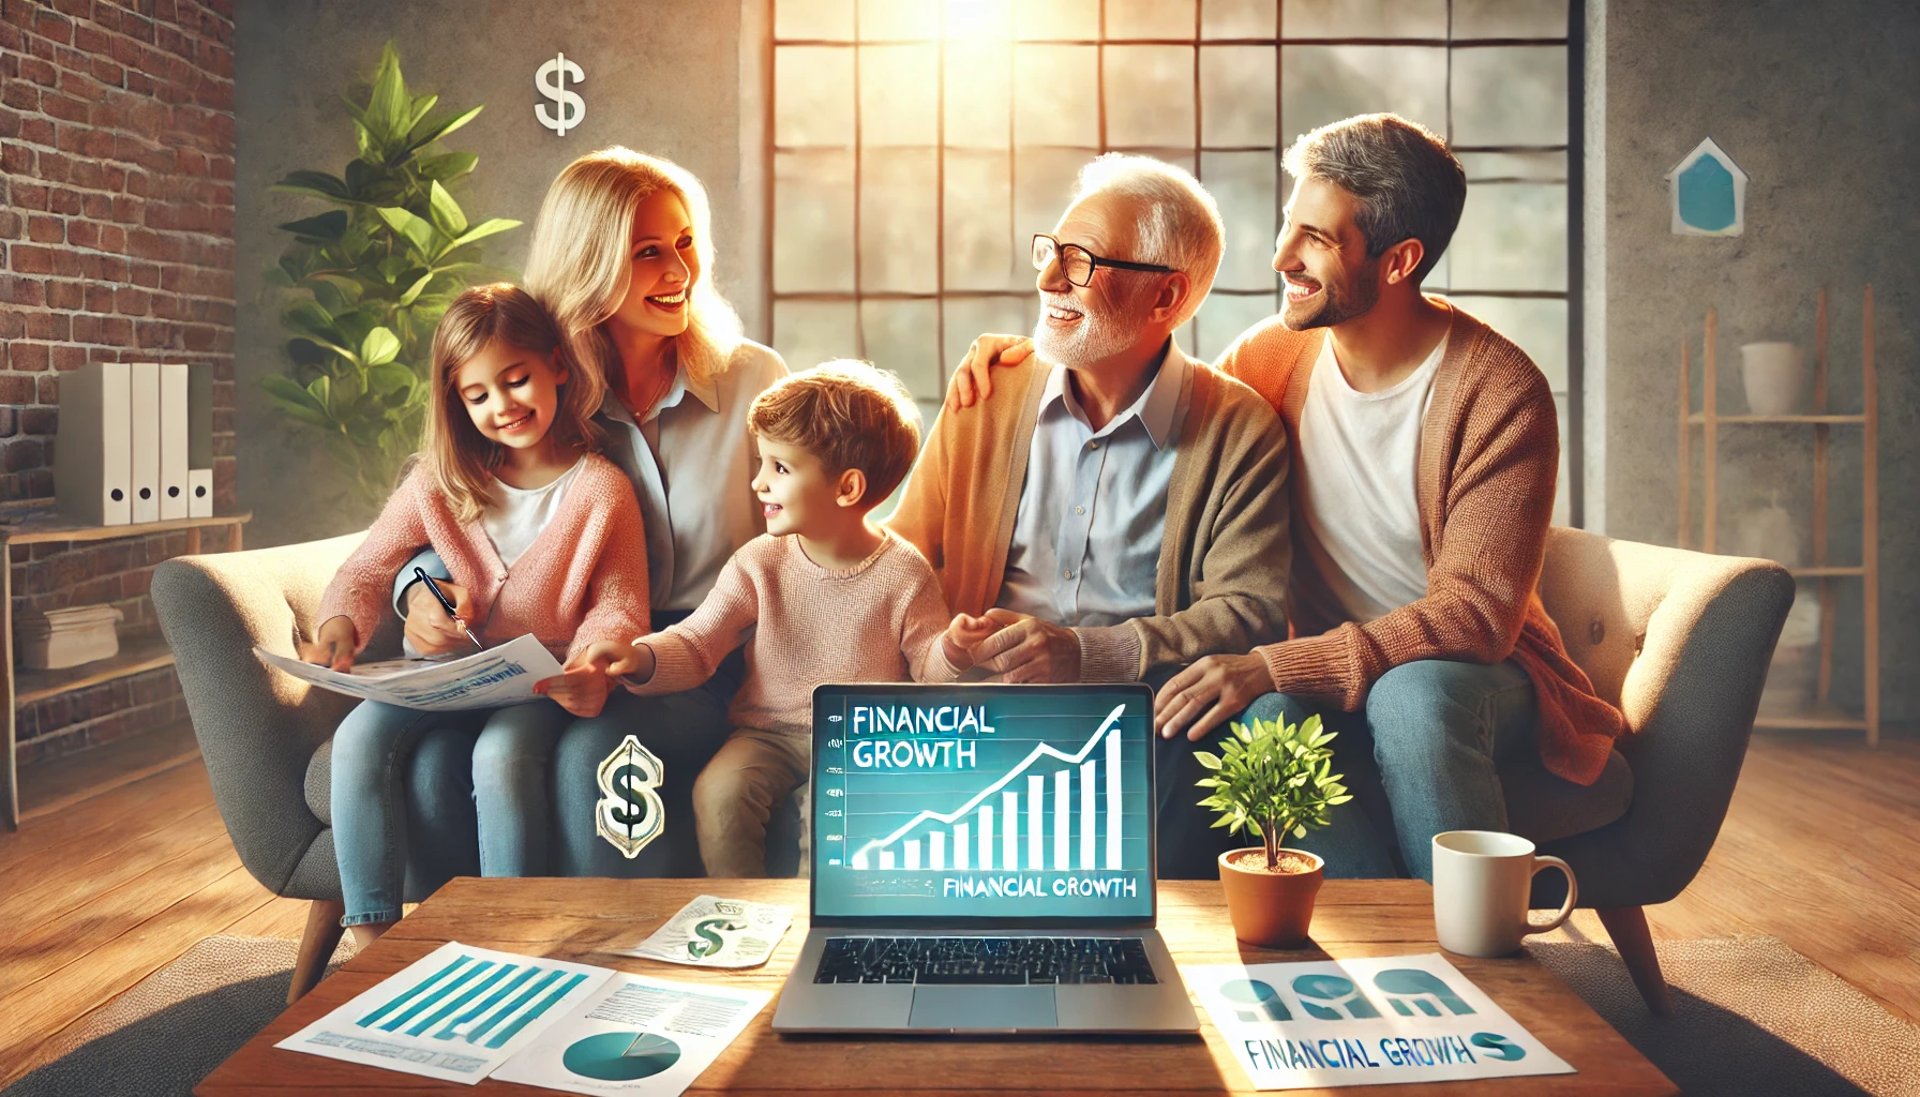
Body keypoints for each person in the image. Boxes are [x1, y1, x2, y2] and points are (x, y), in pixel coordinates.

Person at [956, 114, 1627, 881]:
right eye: (1287, 224)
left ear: (1400, 259)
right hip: (1322, 671)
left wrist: (1276, 664)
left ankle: (1478, 953)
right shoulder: (1272, 357)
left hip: (1474, 676)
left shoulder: (1501, 391)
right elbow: (1153, 369)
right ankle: (1376, 949)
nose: (1282, 257)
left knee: (1410, 696)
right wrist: (1032, 359)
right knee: (1265, 724)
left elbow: (1474, 618)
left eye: (1317, 238)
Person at [887, 153, 1293, 878]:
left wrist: (1086, 652)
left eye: (1080, 263)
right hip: (976, 708)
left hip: (1140, 717)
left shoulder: (1240, 428)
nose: (1047, 281)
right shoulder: (990, 389)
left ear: (1165, 298)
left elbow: (1248, 611)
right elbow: (906, 551)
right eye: (1052, 252)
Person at [395, 148, 788, 877]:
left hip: (713, 657)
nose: (680, 272)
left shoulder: (752, 380)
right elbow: (453, 513)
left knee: (594, 757)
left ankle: (613, 963)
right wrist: (419, 591)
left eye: (685, 243)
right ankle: (469, 960)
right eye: (647, 252)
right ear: (590, 260)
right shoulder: (535, 394)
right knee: (434, 767)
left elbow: (805, 536)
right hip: (561, 655)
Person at [302, 283, 650, 945]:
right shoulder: (441, 478)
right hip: (441, 675)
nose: (503, 406)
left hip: (536, 681)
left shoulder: (603, 489)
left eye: (516, 381)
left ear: (556, 364)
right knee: (355, 740)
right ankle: (369, 934)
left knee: (501, 755)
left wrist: (595, 659)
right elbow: (368, 565)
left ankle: (506, 934)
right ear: (456, 401)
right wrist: (339, 625)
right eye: (478, 395)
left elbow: (619, 601)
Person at [584, 361, 990, 875]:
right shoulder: (759, 562)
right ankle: (739, 918)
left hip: (864, 741)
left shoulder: (904, 573)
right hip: (767, 735)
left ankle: (810, 930)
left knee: (831, 815)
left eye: (780, 468)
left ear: (847, 488)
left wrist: (952, 651)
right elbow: (698, 642)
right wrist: (641, 657)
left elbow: (928, 665)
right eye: (762, 464)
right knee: (720, 792)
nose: (759, 483)